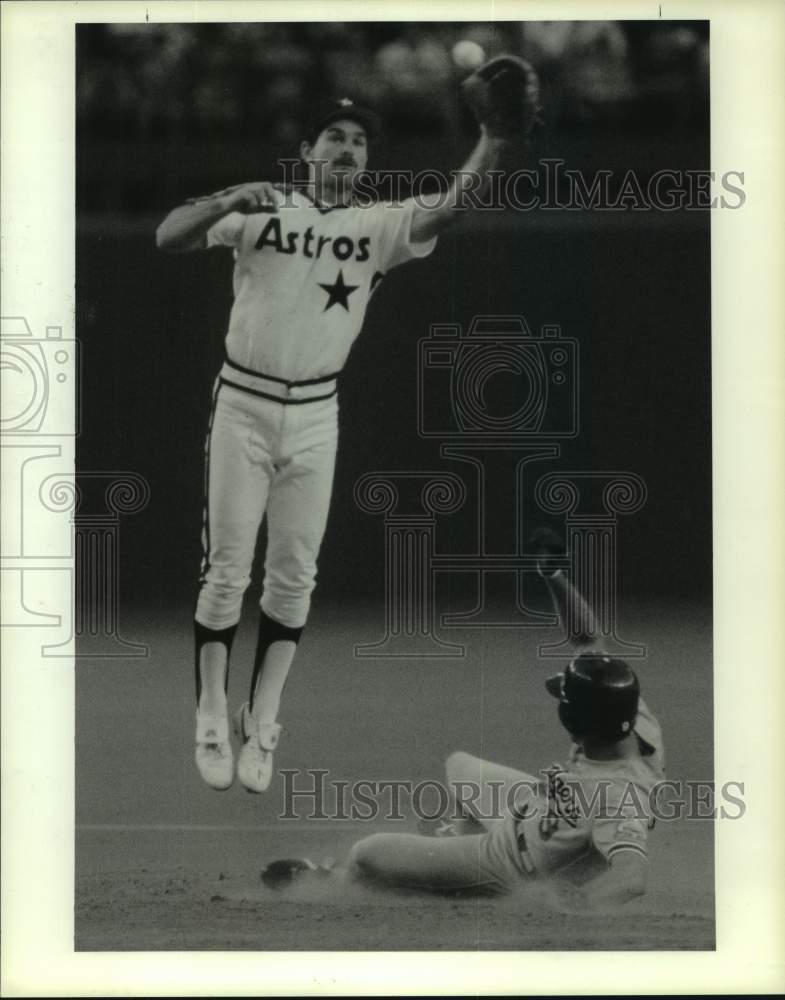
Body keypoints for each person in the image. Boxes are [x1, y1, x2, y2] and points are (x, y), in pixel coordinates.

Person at [156, 59, 540, 794]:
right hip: (241, 401)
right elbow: (169, 235)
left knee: (294, 576)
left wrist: (494, 136)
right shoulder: (262, 208)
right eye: (332, 137)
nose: (345, 149)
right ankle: (210, 710)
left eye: (358, 143)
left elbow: (455, 205)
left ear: (366, 162)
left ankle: (261, 720)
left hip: (314, 413)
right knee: (226, 572)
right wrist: (225, 200)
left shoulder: (378, 224)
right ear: (306, 152)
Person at [262, 530, 665, 909]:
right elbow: (587, 641)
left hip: (509, 864)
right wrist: (554, 575)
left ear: (582, 721)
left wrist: (566, 905)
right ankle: (447, 854)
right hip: (534, 810)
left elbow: (632, 877)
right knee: (460, 767)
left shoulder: (618, 797)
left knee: (367, 852)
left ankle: (345, 879)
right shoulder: (628, 713)